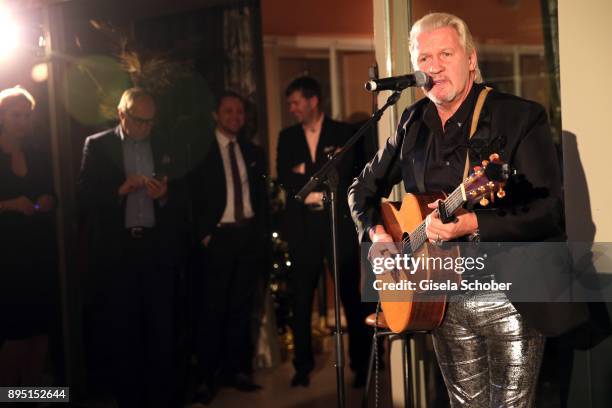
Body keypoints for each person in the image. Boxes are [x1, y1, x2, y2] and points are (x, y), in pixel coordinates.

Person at [348, 12, 587, 407]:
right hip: (439, 298)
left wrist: (473, 222)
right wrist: (378, 236)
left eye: (446, 53)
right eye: (424, 59)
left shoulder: (519, 116)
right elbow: (362, 189)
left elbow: (549, 210)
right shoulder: (413, 121)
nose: (434, 66)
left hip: (509, 296)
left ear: (471, 60)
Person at [77, 87, 179, 408]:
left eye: (151, 122)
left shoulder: (162, 144)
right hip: (118, 252)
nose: (146, 128)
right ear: (122, 114)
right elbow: (84, 197)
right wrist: (120, 189)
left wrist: (163, 195)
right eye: (139, 121)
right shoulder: (99, 145)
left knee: (161, 330)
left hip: (155, 249)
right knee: (124, 332)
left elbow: (183, 197)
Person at [276, 76, 370, 387]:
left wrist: (306, 172)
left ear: (313, 101)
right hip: (303, 227)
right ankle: (302, 367)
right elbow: (286, 180)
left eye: (295, 102)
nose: (291, 109)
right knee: (301, 298)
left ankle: (361, 364)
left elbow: (345, 178)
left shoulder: (342, 132)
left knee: (349, 296)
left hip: (336, 224)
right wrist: (309, 175)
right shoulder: (286, 137)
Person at [190, 91, 269, 403]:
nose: (235, 116)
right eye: (228, 111)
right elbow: (191, 199)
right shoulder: (201, 152)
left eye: (239, 112)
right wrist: (204, 234)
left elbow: (260, 198)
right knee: (212, 311)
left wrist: (261, 234)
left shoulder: (252, 151)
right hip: (217, 238)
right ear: (216, 114)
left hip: (247, 237)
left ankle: (238, 371)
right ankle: (206, 378)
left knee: (241, 309)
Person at [0, 86, 57, 386]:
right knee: (15, 334)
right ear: (2, 117)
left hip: (37, 249)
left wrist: (47, 200)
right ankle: (8, 399)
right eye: (15, 115)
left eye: (27, 116)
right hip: (7, 255)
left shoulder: (37, 154)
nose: (22, 121)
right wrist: (9, 204)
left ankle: (33, 396)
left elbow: (51, 192)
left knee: (40, 332)